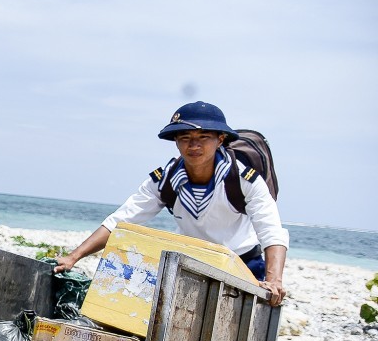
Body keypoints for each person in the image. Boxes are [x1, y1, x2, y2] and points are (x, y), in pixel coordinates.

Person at [54, 101, 288, 306]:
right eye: (185, 138)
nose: (193, 145)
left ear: (220, 140)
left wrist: (274, 280)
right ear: (176, 141)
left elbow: (270, 229)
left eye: (203, 138)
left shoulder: (243, 179)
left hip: (243, 264)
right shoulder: (166, 179)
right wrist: (74, 256)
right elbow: (121, 220)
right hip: (190, 265)